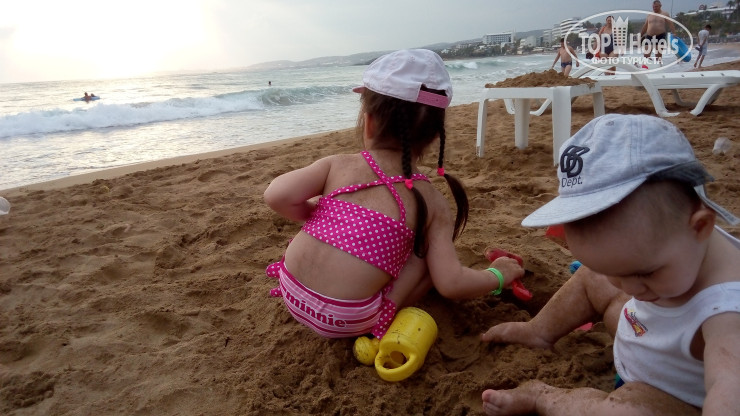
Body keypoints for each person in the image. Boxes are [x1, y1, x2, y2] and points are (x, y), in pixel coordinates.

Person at [480, 114, 740, 415]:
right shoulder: (672, 244)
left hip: (670, 398)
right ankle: (539, 331)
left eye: (644, 272)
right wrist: (618, 273)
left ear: (701, 226)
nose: (628, 288)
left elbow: (728, 385)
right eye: (614, 272)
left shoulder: (728, 313)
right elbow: (624, 274)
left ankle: (543, 397)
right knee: (594, 278)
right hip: (646, 338)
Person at [263, 49, 525, 339]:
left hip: (291, 290)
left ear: (369, 122)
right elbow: (451, 283)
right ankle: (386, 311)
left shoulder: (337, 164)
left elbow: (277, 195)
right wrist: (498, 274)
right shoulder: (432, 201)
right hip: (348, 320)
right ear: (434, 136)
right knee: (426, 254)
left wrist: (320, 211)